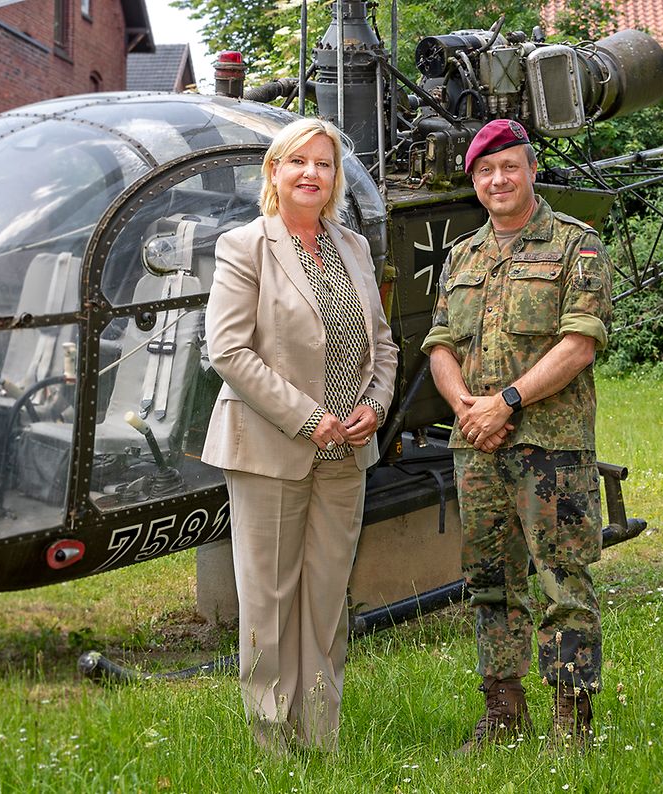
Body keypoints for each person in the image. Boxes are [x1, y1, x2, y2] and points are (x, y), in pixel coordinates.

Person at [202, 117, 398, 753]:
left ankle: (321, 734)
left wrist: (374, 405)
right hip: (271, 446)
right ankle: (271, 740)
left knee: (326, 598)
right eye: (299, 162)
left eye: (325, 163)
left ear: (336, 178)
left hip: (348, 448)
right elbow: (229, 350)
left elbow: (384, 345)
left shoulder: (355, 249)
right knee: (269, 600)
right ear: (275, 173)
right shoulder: (245, 246)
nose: (312, 173)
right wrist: (309, 419)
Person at [421, 119, 612, 750]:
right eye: (484, 171)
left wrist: (505, 402)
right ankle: (503, 710)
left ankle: (571, 720)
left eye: (509, 166)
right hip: (477, 446)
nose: (497, 180)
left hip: (549, 446)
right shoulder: (464, 256)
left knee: (563, 580)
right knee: (490, 582)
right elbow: (440, 345)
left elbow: (579, 344)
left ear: (531, 170)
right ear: (474, 182)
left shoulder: (575, 246)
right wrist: (468, 409)